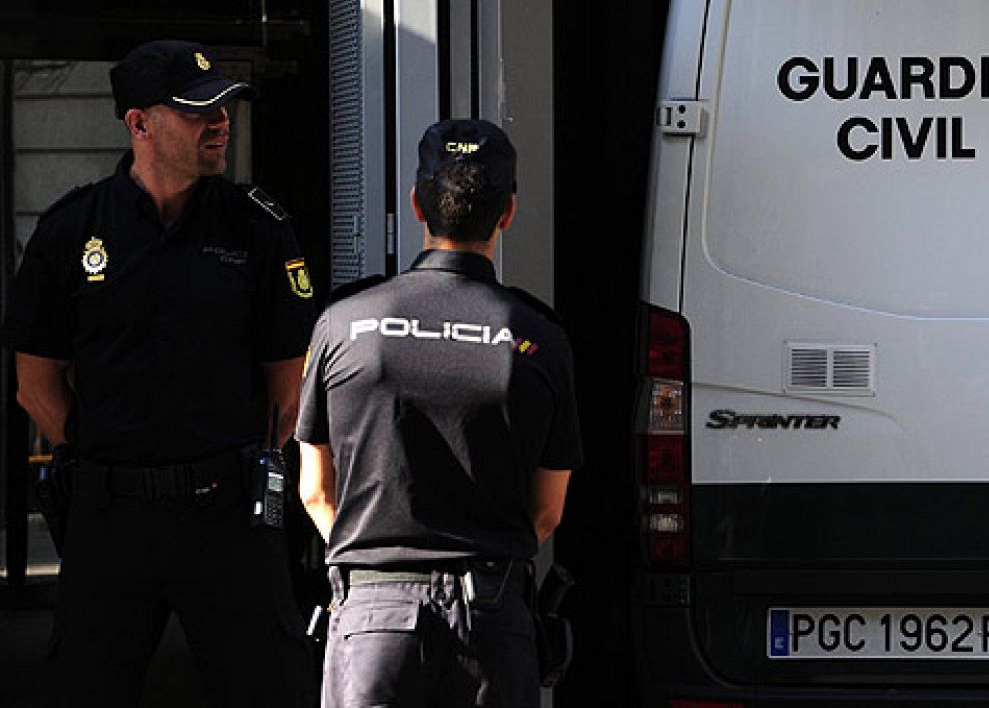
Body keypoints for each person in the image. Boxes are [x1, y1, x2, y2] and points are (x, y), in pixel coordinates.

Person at [0, 39, 319, 706]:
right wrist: (100, 456)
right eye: (198, 110)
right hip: (110, 516)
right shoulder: (72, 230)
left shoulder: (256, 228)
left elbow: (286, 392)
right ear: (139, 123)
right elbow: (35, 383)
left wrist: (234, 467)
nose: (220, 121)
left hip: (227, 514)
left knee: (270, 688)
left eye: (224, 107)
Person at [297, 118, 582, 708]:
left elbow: (315, 491)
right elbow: (548, 511)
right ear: (507, 213)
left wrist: (374, 565)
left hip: (373, 619)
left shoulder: (342, 323)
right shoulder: (537, 337)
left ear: (416, 204)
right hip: (491, 617)